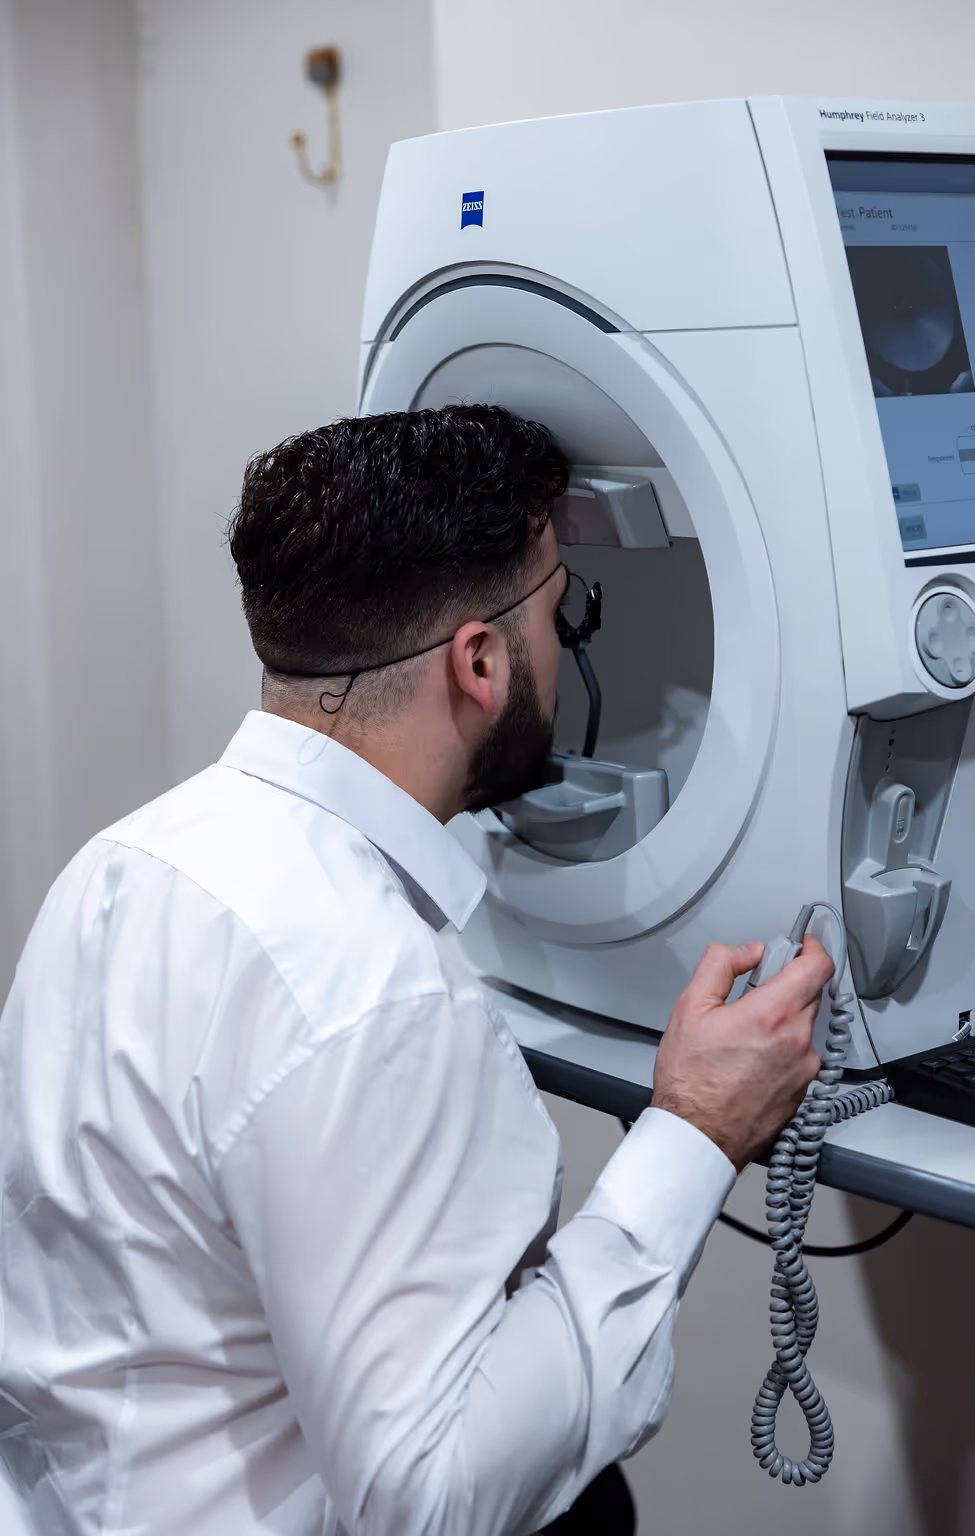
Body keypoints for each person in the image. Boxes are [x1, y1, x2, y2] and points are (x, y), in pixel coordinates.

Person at [0, 405, 832, 1536]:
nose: (565, 644)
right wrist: (694, 1131)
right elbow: (432, 1500)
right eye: (561, 614)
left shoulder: (122, 866)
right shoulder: (369, 992)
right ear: (481, 662)